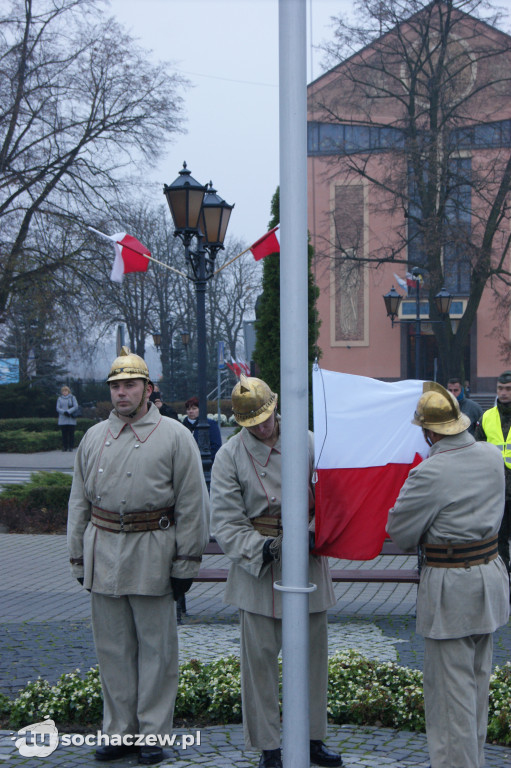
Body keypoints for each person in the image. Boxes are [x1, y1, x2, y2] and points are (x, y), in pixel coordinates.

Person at [67, 347, 209, 765]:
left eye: (129, 384)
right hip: (103, 550)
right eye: (115, 386)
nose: (121, 392)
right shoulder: (94, 437)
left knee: (156, 651)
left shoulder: (175, 436)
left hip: (153, 551)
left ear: (149, 389)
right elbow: (78, 501)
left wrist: (187, 563)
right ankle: (119, 732)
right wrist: (77, 555)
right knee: (112, 650)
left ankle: (152, 734)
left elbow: (192, 506)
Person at [210, 375, 343, 768]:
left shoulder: (307, 441)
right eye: (252, 423)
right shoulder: (230, 456)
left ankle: (313, 738)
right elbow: (226, 520)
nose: (262, 427)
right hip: (259, 568)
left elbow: (332, 497)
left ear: (275, 406)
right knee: (260, 666)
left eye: (265, 418)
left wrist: (315, 533)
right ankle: (269, 745)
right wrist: (260, 549)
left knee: (313, 660)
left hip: (309, 559)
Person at [387, 382, 509, 768]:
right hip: (488, 579)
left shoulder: (430, 472)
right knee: (475, 691)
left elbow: (401, 532)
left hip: (450, 590)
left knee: (450, 703)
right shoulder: (491, 456)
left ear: (428, 432)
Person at [475, 370, 511, 573]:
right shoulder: (487, 417)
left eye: (508, 389)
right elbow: (477, 451)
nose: (503, 393)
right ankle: (504, 584)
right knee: (499, 542)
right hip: (497, 492)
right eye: (500, 388)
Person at [181, 395, 222, 464]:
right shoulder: (182, 426)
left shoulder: (210, 424)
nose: (191, 411)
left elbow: (216, 446)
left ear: (200, 409)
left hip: (207, 464)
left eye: (194, 408)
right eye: (188, 409)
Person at [56, 385, 79, 451]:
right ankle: (64, 447)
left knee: (71, 434)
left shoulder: (72, 397)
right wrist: (64, 412)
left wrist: (68, 412)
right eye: (63, 391)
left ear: (68, 391)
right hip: (63, 418)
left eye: (66, 391)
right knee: (64, 434)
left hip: (71, 418)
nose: (65, 392)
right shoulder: (59, 398)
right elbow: (57, 408)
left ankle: (71, 447)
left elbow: (76, 406)